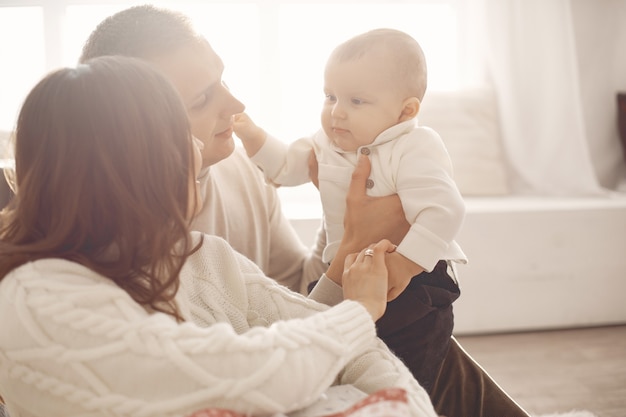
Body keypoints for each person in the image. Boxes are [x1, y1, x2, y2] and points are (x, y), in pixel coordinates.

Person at [78, 5, 531, 417]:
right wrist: (355, 243)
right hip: (283, 374)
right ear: (135, 125)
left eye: (224, 82)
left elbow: (297, 286)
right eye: (202, 99)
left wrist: (341, 212)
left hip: (327, 326)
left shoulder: (242, 166)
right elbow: (258, 363)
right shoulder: (128, 235)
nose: (236, 106)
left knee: (427, 342)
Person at [0, 55, 437, 417]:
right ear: (131, 162)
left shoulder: (202, 254)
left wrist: (341, 223)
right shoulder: (38, 297)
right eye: (183, 120)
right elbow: (243, 372)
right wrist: (359, 309)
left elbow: (325, 327)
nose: (193, 147)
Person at [234, 29, 467, 392]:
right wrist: (252, 135)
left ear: (406, 111)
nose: (337, 112)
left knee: (405, 374)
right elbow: (285, 167)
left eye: (357, 101)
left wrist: (404, 264)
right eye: (330, 96)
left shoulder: (415, 146)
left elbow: (445, 210)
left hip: (412, 284)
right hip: (342, 274)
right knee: (347, 368)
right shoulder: (326, 143)